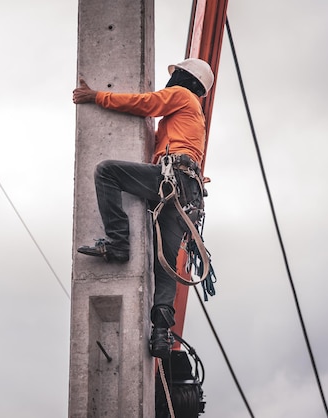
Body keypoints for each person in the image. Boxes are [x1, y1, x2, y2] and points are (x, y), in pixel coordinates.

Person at [73, 58, 214, 359]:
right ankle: (161, 334)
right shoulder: (196, 116)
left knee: (107, 171)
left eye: (176, 75)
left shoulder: (182, 96)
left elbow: (147, 104)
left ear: (186, 79)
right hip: (187, 194)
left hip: (172, 180)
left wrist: (95, 96)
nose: (171, 80)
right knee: (164, 263)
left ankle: (118, 243)